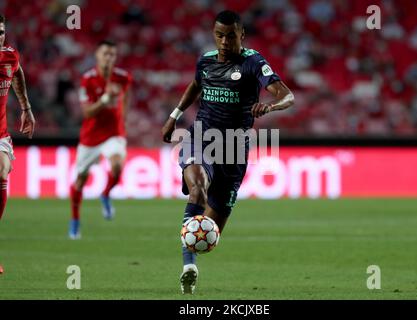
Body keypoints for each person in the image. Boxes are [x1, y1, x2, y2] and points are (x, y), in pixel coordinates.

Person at [161, 10, 295, 294]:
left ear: (241, 36)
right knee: (197, 189)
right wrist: (174, 115)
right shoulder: (206, 61)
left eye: (230, 36)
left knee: (210, 231)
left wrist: (269, 107)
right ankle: (188, 267)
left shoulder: (253, 63)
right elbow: (196, 85)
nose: (224, 41)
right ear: (214, 34)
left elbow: (287, 95)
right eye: (219, 35)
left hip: (234, 148)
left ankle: (195, 254)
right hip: (201, 137)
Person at [69, 40, 132, 239]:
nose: (109, 58)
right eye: (105, 53)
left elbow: (126, 100)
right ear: (97, 55)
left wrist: (123, 123)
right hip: (90, 137)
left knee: (117, 167)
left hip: (114, 133)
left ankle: (105, 194)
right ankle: (75, 220)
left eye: (112, 54)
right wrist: (105, 99)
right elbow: (87, 113)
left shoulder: (123, 77)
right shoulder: (87, 79)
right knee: (80, 180)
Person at [0, 14, 36, 220]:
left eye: (1, 33)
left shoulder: (10, 55)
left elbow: (17, 72)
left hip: (0, 133)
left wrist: (26, 108)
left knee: (2, 170)